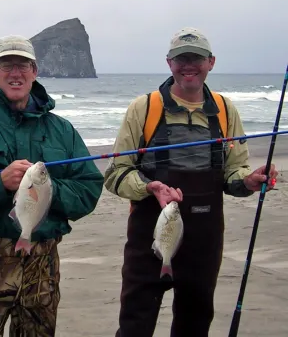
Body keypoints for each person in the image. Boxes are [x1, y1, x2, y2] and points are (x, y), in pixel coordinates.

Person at [104, 27, 278, 337]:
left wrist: (249, 181)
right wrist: (149, 187)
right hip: (149, 239)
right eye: (181, 58)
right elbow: (117, 174)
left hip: (204, 242)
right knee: (134, 325)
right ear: (169, 63)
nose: (189, 66)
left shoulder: (226, 111)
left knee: (195, 324)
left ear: (211, 62)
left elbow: (233, 174)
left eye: (196, 58)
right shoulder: (143, 109)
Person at [0, 34, 104, 337]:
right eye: (6, 65)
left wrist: (46, 191)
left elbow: (89, 189)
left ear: (35, 71)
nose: (16, 73)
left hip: (43, 268)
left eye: (23, 65)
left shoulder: (62, 131)